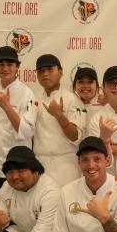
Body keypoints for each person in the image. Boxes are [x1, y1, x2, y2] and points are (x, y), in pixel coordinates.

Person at [0, 46, 37, 207]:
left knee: (18, 210)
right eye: (1, 64)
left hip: (18, 165)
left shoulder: (26, 93)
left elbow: (27, 131)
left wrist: (7, 107)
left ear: (17, 67)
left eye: (10, 64)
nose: (5, 68)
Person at [33, 54, 85, 186]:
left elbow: (76, 137)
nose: (45, 74)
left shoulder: (73, 100)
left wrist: (59, 116)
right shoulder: (34, 100)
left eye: (50, 69)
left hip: (66, 164)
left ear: (60, 72)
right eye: (41, 71)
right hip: (40, 163)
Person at [73, 67, 107, 133]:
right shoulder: (70, 103)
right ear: (74, 86)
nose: (85, 86)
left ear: (97, 86)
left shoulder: (106, 103)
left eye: (90, 82)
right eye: (81, 82)